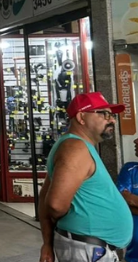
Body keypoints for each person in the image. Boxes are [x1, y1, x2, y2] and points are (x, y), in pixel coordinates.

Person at [39, 92, 132, 262]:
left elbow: (44, 195)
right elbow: (55, 205)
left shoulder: (75, 146)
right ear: (81, 117)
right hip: (88, 249)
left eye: (112, 115)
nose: (112, 120)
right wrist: (75, 220)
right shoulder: (76, 148)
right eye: (104, 114)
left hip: (89, 247)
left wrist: (48, 242)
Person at [118, 137, 138, 262]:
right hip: (133, 256)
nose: (135, 141)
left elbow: (130, 200)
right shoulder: (130, 169)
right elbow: (122, 198)